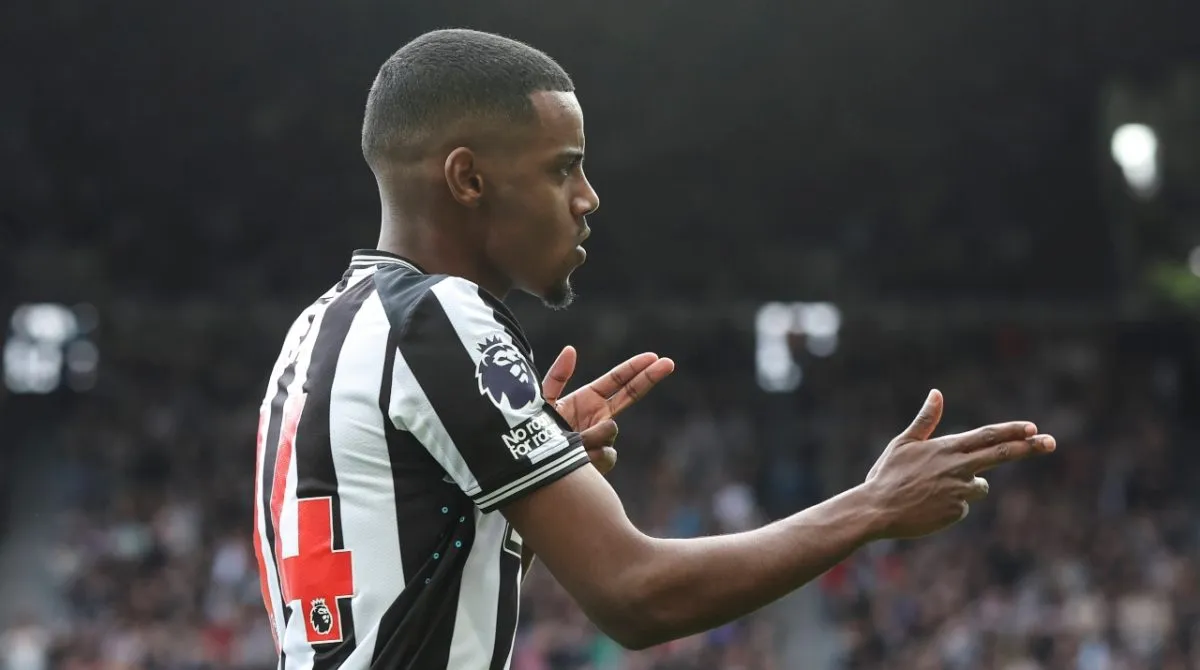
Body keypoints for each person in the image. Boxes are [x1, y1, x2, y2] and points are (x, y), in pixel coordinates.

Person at [251, 28, 1058, 670]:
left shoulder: (317, 330)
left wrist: (509, 481)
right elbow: (636, 596)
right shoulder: (441, 315)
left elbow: (402, 596)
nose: (588, 197)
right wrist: (872, 507)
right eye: (563, 168)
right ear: (468, 179)